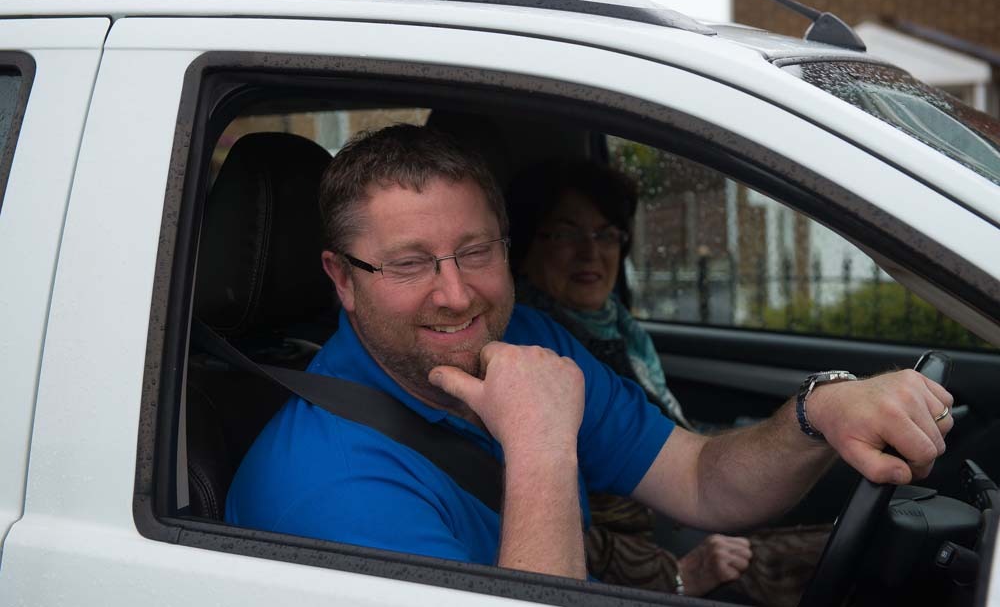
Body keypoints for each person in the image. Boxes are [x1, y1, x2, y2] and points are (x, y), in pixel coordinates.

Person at [226, 124, 953, 589]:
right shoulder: (322, 487)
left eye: (476, 251)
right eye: (410, 264)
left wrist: (819, 408)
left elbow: (701, 482)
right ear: (343, 280)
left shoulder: (529, 344)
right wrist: (540, 445)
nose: (455, 295)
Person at [507, 160, 821, 601]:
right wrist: (673, 573)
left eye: (605, 233)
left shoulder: (619, 333)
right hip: (644, 560)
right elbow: (557, 522)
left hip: (676, 519)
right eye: (565, 233)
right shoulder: (532, 359)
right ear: (523, 246)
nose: (590, 252)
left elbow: (678, 451)